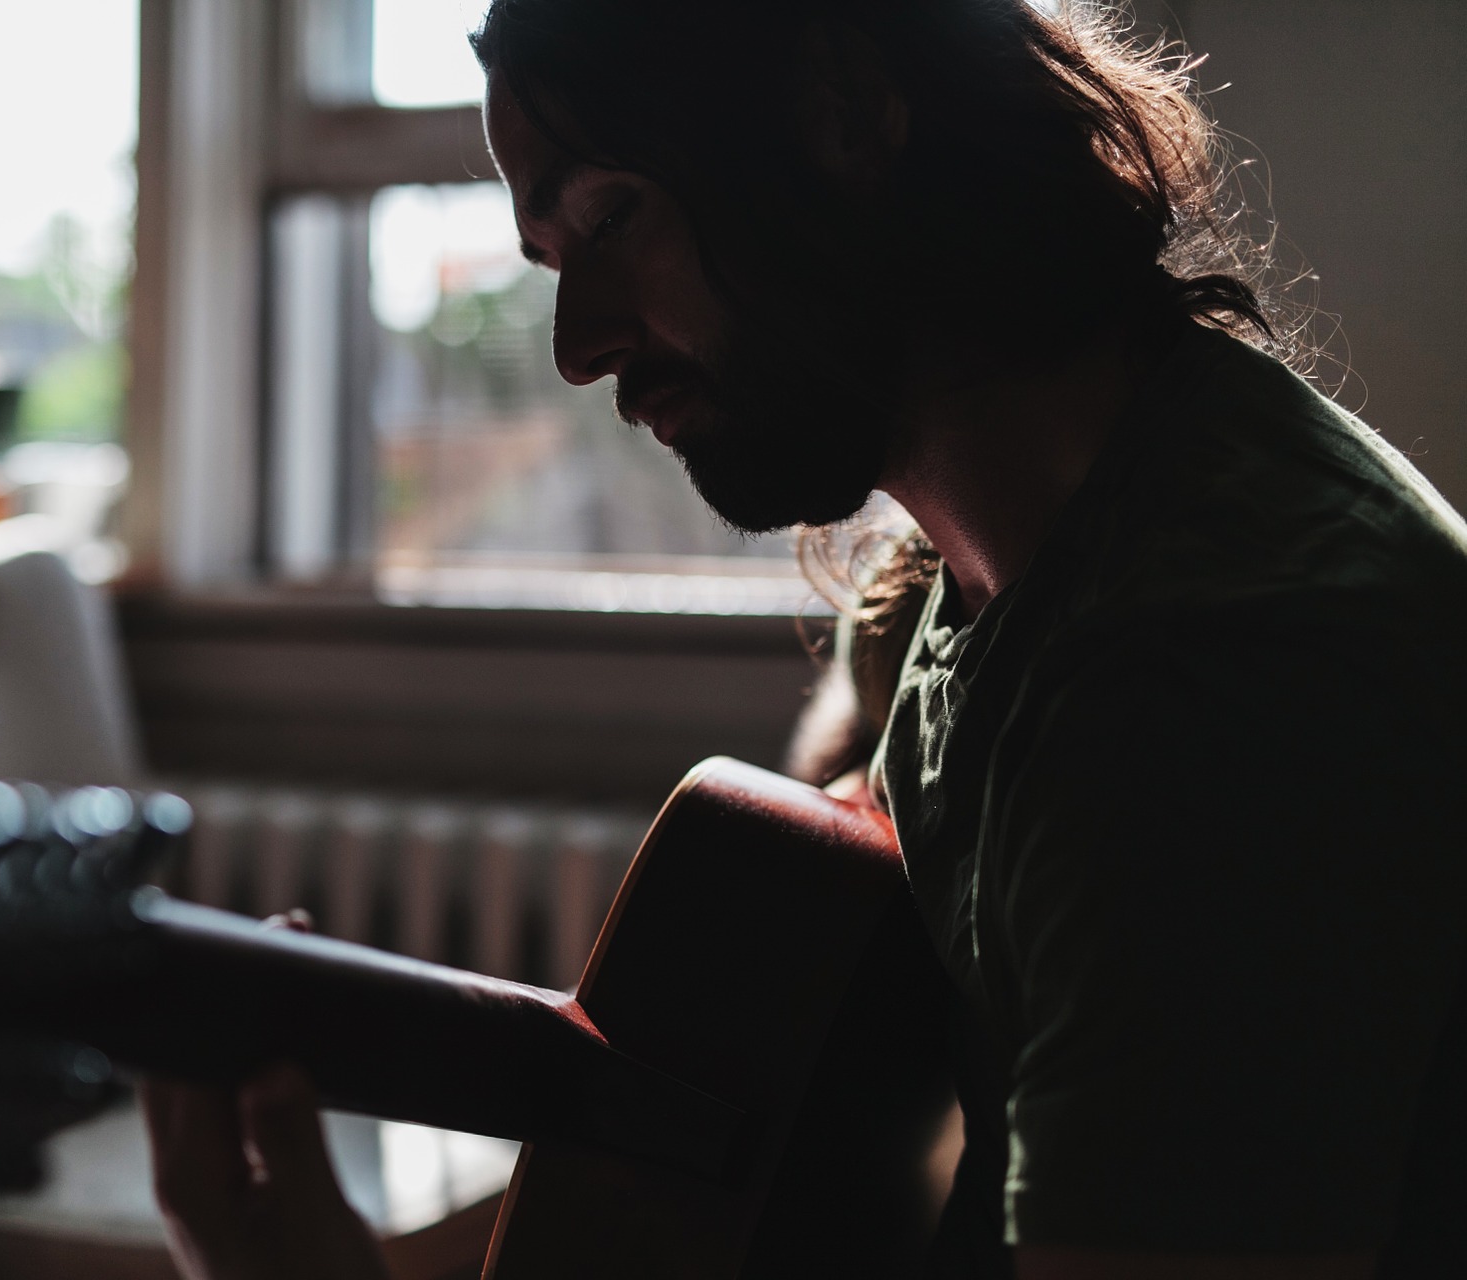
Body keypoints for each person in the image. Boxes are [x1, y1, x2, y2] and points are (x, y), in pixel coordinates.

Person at [142, 1, 1467, 1276]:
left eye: (615, 212)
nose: (579, 344)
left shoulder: (1223, 681)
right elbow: (793, 1034)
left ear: (841, 110)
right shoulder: (944, 585)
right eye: (555, 258)